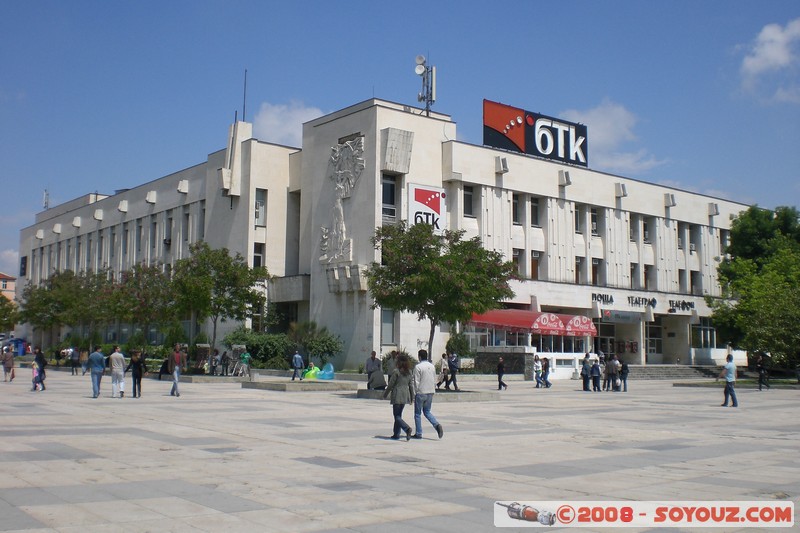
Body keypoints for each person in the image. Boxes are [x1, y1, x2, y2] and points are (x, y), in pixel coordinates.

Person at [411, 349, 443, 439]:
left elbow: (416, 381)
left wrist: (414, 393)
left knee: (417, 414)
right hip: (430, 391)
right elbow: (434, 379)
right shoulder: (432, 366)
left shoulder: (418, 367)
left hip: (421, 392)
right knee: (427, 411)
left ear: (419, 357)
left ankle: (418, 433)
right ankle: (436, 424)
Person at [382, 353, 414, 441]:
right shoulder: (409, 372)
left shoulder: (396, 372)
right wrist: (412, 397)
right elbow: (411, 386)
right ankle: (396, 434)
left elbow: (390, 384)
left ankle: (407, 428)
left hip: (397, 394)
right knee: (399, 415)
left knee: (396, 416)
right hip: (405, 395)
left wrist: (385, 394)